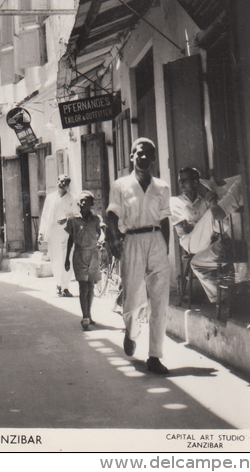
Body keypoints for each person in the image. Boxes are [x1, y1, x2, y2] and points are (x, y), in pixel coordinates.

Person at [106, 138, 171, 374]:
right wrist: (113, 239)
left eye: (147, 154)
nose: (142, 157)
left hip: (156, 240)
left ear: (153, 159)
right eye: (138, 153)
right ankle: (131, 332)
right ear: (131, 157)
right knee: (132, 300)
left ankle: (155, 356)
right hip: (131, 240)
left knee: (160, 302)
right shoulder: (120, 185)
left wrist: (165, 249)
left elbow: (164, 221)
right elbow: (112, 215)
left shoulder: (162, 188)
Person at [171, 169, 242, 304]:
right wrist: (209, 226)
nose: (181, 184)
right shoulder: (175, 201)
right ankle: (231, 237)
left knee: (218, 215)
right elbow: (186, 228)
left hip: (207, 240)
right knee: (213, 213)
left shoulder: (203, 201)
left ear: (195, 182)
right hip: (190, 242)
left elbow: (205, 227)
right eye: (180, 181)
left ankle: (220, 296)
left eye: (185, 180)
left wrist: (208, 227)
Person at [64, 191, 106, 330]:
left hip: (93, 254)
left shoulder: (96, 219)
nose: (83, 203)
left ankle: (89, 314)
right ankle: (85, 316)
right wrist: (67, 259)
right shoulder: (73, 220)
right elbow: (70, 240)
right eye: (81, 201)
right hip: (79, 254)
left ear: (91, 204)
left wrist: (102, 238)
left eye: (87, 201)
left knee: (91, 286)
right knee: (83, 286)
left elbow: (101, 232)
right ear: (78, 204)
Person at [38, 174, 78, 296]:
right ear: (57, 182)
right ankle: (58, 284)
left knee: (67, 257)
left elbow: (76, 215)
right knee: (55, 258)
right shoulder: (50, 198)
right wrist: (41, 232)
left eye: (65, 182)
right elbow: (45, 216)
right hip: (53, 230)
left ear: (68, 185)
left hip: (67, 231)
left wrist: (66, 219)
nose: (62, 184)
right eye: (60, 181)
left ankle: (65, 286)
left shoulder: (73, 198)